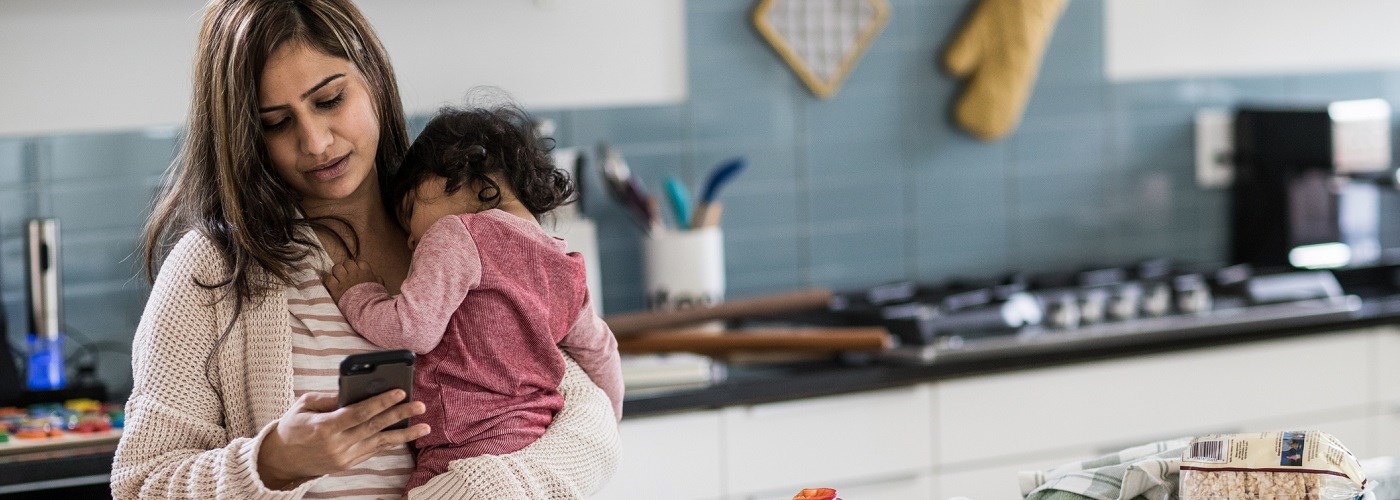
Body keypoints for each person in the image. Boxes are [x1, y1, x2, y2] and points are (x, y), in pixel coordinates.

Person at [111, 1, 618, 498]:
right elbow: (140, 485)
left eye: (329, 100)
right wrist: (273, 463)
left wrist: (478, 489)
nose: (315, 142)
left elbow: (587, 416)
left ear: (373, 78)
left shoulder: (462, 230)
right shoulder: (214, 267)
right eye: (276, 123)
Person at [322, 98, 624, 492]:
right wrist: (611, 418)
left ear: (475, 180)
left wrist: (359, 294)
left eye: (410, 211)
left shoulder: (458, 233)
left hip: (464, 450)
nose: (410, 240)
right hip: (533, 442)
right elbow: (600, 349)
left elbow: (413, 329)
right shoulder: (566, 266)